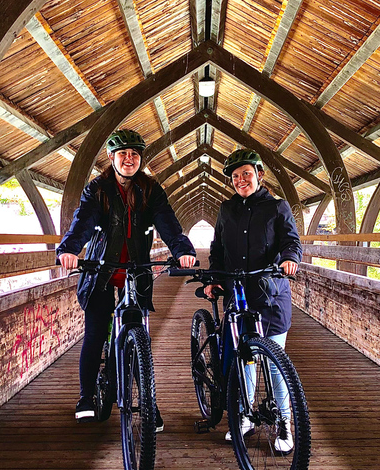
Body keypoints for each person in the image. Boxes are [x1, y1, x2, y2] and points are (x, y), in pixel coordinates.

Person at [57, 129, 196, 429]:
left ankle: (148, 403)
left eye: (134, 154)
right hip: (101, 272)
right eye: (123, 154)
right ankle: (85, 397)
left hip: (136, 271)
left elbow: (168, 222)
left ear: (141, 159)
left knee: (138, 336)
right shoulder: (98, 189)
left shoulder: (151, 190)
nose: (129, 159)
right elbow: (83, 221)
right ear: (111, 157)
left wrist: (183, 249)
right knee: (95, 332)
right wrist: (69, 249)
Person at [204, 148, 302, 453]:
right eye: (235, 176)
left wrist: (289, 259)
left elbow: (291, 241)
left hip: (270, 295)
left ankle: (284, 423)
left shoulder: (277, 207)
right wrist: (214, 278)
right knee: (244, 360)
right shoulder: (226, 210)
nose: (240, 180)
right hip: (239, 296)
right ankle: (245, 416)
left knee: (276, 364)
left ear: (259, 174)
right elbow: (217, 248)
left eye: (246, 173)